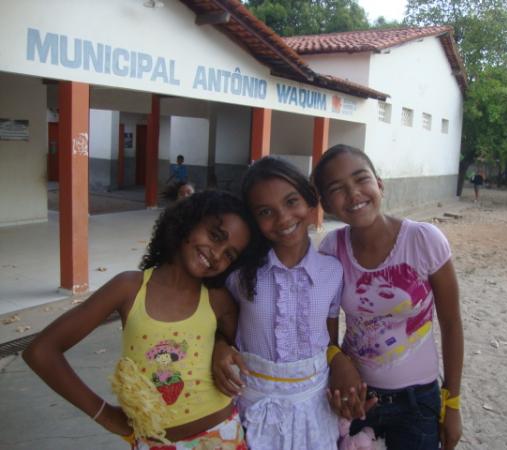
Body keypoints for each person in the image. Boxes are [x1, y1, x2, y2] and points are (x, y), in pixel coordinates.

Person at [23, 190, 261, 449]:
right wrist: (104, 414)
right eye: (215, 236)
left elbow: (238, 345)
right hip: (153, 443)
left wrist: (221, 346)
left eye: (230, 255)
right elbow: (41, 351)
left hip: (222, 437)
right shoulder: (129, 288)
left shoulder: (218, 300)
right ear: (188, 221)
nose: (217, 254)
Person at [312, 144, 464, 450]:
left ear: (379, 184)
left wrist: (453, 404)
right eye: (337, 189)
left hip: (417, 403)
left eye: (361, 179)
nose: (353, 193)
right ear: (326, 204)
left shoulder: (424, 240)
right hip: (358, 399)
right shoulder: (331, 248)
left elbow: (451, 323)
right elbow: (323, 327)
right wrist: (336, 362)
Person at [211, 157, 369, 450]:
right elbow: (218, 325)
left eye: (291, 201)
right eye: (265, 212)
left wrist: (339, 362)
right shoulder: (239, 274)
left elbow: (329, 341)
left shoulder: (332, 271)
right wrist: (220, 346)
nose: (283, 218)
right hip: (253, 407)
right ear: (253, 220)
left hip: (315, 408)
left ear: (310, 202)